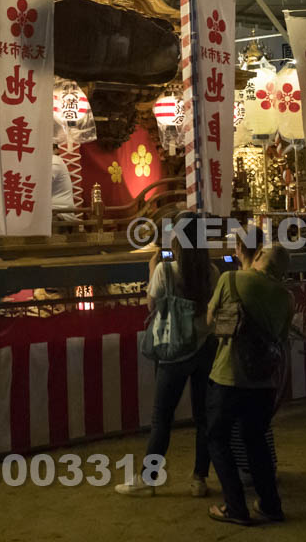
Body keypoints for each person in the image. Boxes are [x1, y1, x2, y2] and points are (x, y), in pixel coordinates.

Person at [117, 212, 218, 498]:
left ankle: (149, 479)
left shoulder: (165, 270)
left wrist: (151, 270)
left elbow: (152, 306)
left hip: (174, 350)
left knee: (162, 417)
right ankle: (200, 478)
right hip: (205, 347)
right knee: (203, 417)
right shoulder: (211, 272)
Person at [202, 238, 292, 526]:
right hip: (262, 380)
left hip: (228, 374)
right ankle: (270, 505)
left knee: (217, 439)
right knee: (256, 442)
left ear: (260, 255)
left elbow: (210, 320)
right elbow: (281, 336)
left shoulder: (230, 279)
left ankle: (235, 506)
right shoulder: (286, 298)